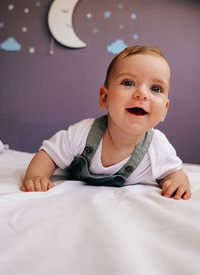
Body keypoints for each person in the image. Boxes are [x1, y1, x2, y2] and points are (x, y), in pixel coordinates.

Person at [20, 45, 191, 200]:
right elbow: (49, 154)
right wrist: (36, 176)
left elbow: (174, 173)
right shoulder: (84, 133)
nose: (142, 94)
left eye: (155, 89)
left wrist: (177, 183)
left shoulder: (158, 146)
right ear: (104, 97)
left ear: (165, 110)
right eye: (128, 83)